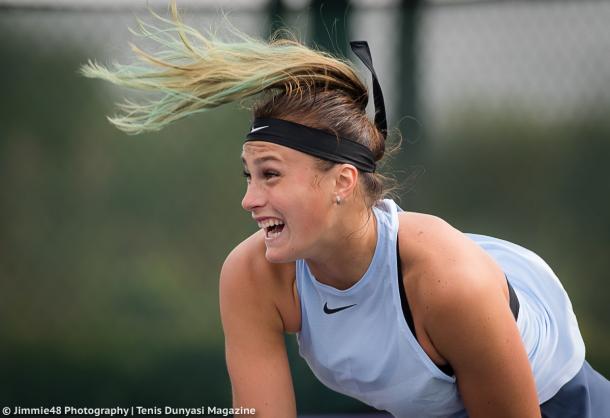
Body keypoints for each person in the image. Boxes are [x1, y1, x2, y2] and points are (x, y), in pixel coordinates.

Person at [80, 2, 610, 417]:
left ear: (342, 181)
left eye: (270, 174)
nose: (249, 199)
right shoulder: (251, 276)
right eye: (249, 176)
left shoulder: (449, 283)